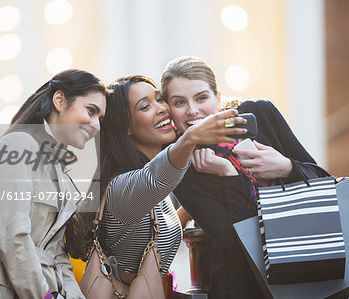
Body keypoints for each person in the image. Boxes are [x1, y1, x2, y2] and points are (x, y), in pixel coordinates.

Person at [161, 56, 328, 298]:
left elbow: (324, 183)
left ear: (218, 99)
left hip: (311, 267)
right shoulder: (182, 165)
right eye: (179, 102)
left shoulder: (260, 112)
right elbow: (233, 241)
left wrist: (287, 167)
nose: (192, 110)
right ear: (170, 110)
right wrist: (227, 173)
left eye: (201, 97)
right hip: (247, 287)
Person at [0, 69, 107, 299]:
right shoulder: (18, 146)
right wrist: (46, 296)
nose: (96, 125)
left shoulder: (59, 171)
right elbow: (13, 237)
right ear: (60, 100)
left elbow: (59, 257)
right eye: (91, 111)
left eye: (100, 118)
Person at [92, 75, 247, 287]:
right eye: (146, 106)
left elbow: (160, 221)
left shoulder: (154, 189)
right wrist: (190, 138)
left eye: (160, 99)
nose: (162, 108)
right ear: (125, 126)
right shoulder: (121, 189)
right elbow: (155, 180)